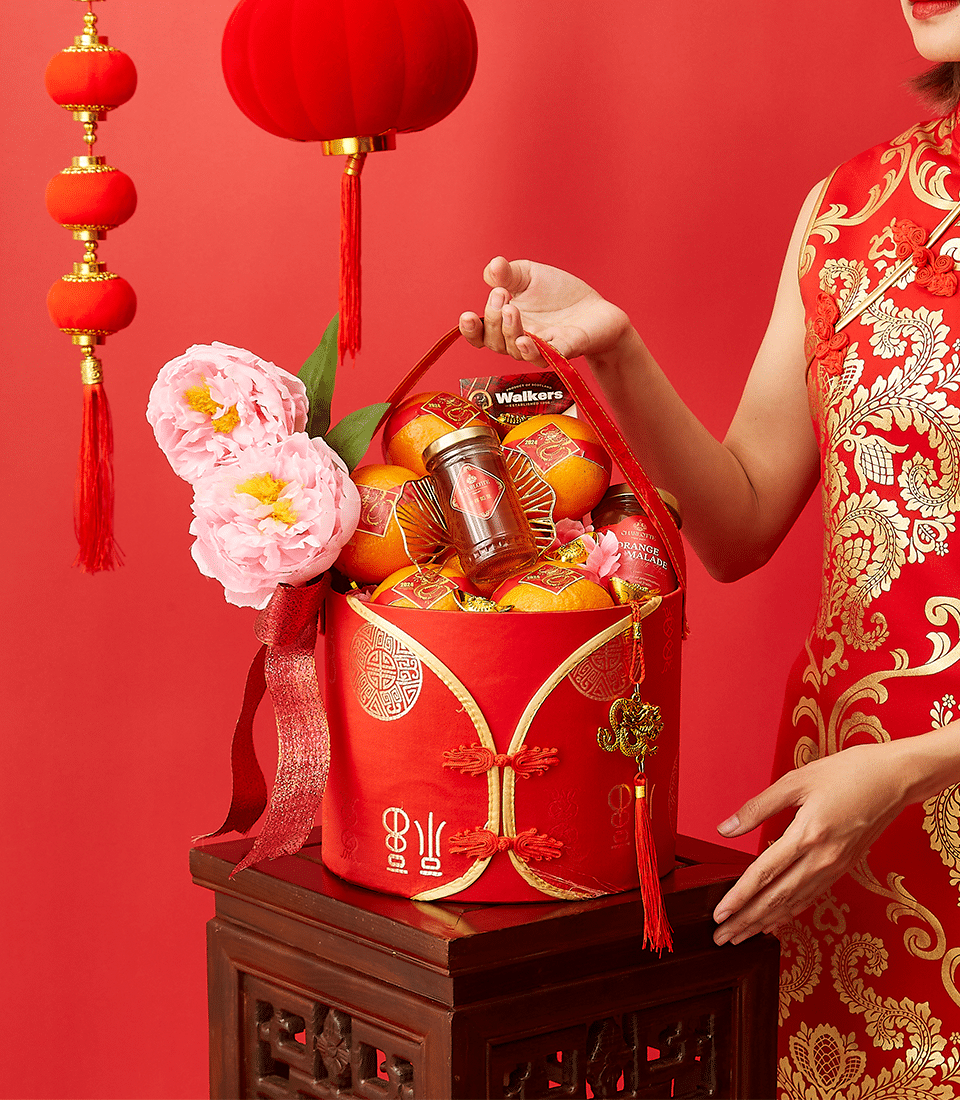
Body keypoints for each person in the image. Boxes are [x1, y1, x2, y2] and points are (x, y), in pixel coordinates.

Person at [459, 3, 960, 1095]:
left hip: (886, 784)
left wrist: (920, 765)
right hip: (850, 836)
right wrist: (618, 350)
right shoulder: (850, 212)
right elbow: (735, 522)